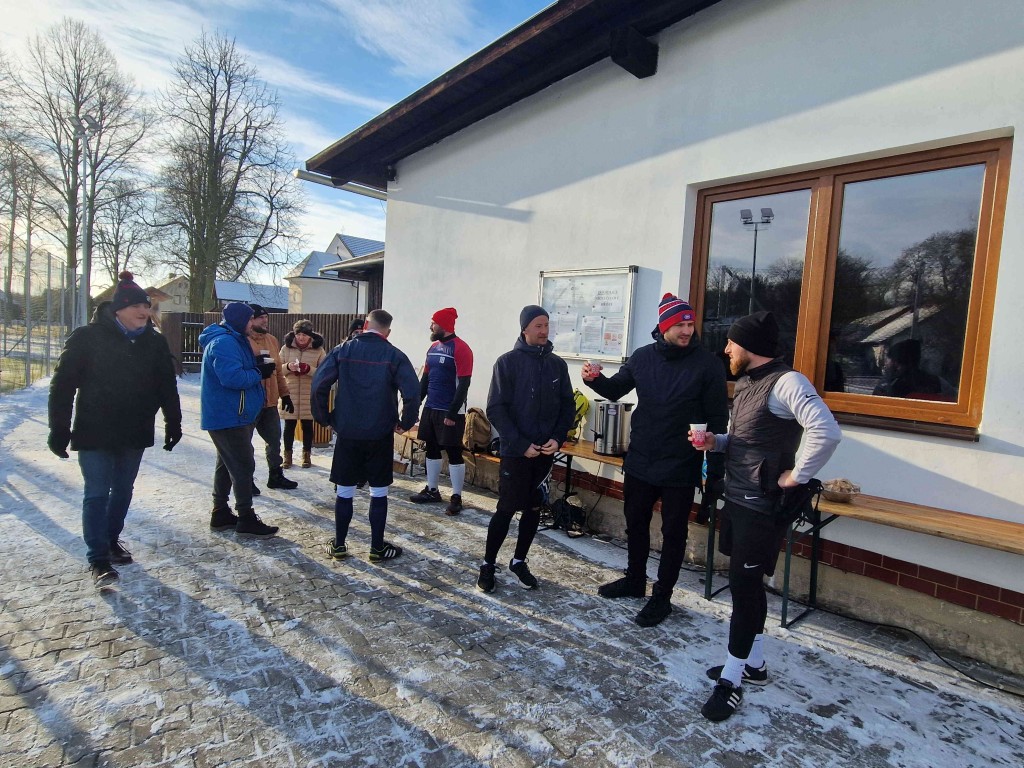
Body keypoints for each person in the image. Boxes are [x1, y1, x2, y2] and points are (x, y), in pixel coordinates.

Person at [694, 311, 841, 722]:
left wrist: (796, 476)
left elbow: (827, 431)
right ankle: (754, 665)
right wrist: (716, 441)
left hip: (762, 506)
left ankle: (732, 679)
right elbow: (747, 439)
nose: (726, 349)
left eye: (731, 342)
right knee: (747, 586)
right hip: (739, 497)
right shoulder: (748, 382)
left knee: (744, 590)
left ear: (749, 346)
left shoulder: (788, 382)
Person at [582, 293, 728, 627]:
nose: (687, 330)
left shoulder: (707, 364)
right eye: (680, 325)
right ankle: (635, 579)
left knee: (674, 532)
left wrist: (715, 467)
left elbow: (718, 419)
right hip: (642, 458)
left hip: (681, 463)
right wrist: (593, 379)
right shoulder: (643, 357)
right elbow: (615, 389)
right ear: (664, 327)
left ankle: (662, 596)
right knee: (635, 522)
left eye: (690, 324)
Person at [48, 272, 183, 586]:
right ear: (119, 308)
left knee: (123, 490)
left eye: (147, 306)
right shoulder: (87, 337)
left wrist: (174, 422)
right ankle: (98, 559)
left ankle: (110, 539)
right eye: (137, 306)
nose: (144, 311)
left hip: (134, 430)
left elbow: (166, 385)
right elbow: (62, 386)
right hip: (94, 430)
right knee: (96, 493)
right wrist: (59, 428)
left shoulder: (154, 341)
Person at [477, 305, 575, 593]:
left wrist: (557, 438)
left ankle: (519, 561)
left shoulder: (557, 365)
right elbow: (496, 408)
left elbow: (567, 406)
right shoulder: (507, 363)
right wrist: (520, 444)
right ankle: (487, 564)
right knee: (506, 509)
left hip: (544, 452)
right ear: (525, 329)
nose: (544, 331)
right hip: (516, 451)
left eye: (547, 325)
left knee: (534, 508)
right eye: (538, 326)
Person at [312, 309, 419, 562]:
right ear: (387, 332)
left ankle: (339, 544)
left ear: (366, 324)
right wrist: (405, 422)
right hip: (379, 433)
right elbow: (412, 392)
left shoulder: (343, 350)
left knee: (345, 490)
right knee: (378, 492)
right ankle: (376, 547)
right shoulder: (394, 355)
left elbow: (319, 385)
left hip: (348, 431)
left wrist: (324, 418)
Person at [199, 302, 280, 538]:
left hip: (234, 413)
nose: (252, 323)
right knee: (243, 465)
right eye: (250, 319)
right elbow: (231, 378)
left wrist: (257, 366)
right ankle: (246, 517)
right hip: (229, 414)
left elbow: (238, 368)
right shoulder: (224, 342)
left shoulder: (235, 339)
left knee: (226, 464)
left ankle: (220, 512)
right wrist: (258, 372)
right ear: (239, 320)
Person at [409, 307, 474, 515]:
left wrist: (452, 413)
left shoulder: (461, 348)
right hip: (431, 407)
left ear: (444, 325)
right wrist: (416, 404)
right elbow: (425, 379)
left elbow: (464, 384)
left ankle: (456, 497)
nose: (431, 326)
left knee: (454, 452)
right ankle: (432, 490)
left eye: (434, 323)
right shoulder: (433, 348)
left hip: (450, 410)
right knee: (431, 449)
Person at [246, 304, 297, 491]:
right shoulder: (243, 341)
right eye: (261, 317)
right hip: (250, 402)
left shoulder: (272, 340)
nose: (265, 320)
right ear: (250, 320)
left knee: (274, 441)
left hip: (270, 402)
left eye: (266, 317)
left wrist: (285, 394)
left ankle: (275, 476)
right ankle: (246, 480)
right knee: (245, 444)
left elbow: (278, 372)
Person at [281, 319, 327, 468]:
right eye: (298, 334)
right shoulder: (286, 348)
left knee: (307, 425)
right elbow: (277, 369)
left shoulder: (319, 350)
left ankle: (306, 456)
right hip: (290, 393)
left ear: (310, 335)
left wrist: (308, 370)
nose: (301, 337)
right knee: (289, 426)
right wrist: (289, 367)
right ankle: (287, 456)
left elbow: (324, 372)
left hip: (309, 393)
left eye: (304, 335)